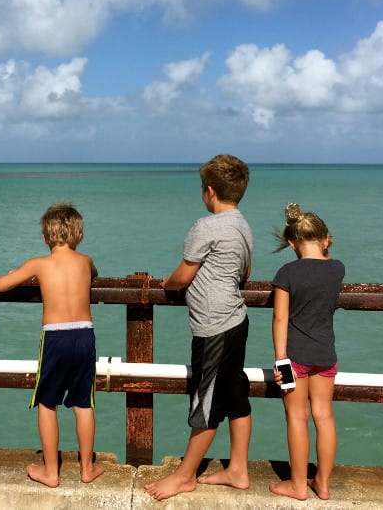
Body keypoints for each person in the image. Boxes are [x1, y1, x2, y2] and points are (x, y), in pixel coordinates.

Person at [145, 154, 254, 501]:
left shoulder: (205, 227)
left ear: (209, 191)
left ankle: (185, 475)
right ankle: (238, 468)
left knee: (206, 402)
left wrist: (167, 284)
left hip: (214, 327)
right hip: (237, 320)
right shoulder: (243, 225)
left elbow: (182, 276)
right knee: (235, 393)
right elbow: (245, 273)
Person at [0, 202, 105, 488]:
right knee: (84, 403)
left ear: (45, 238)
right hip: (84, 334)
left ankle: (51, 471)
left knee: (47, 402)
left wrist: (16, 273)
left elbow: (0, 285)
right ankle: (87, 468)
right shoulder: (85, 261)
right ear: (79, 235)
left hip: (55, 336)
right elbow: (94, 272)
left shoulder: (38, 264)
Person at [269, 203, 344, 501]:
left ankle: (298, 484)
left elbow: (280, 318)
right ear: (327, 238)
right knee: (324, 416)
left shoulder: (287, 273)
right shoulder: (337, 269)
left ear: (291, 243)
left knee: (297, 418)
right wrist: (326, 247)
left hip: (294, 358)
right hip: (326, 354)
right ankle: (322, 483)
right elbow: (325, 259)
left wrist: (280, 359)